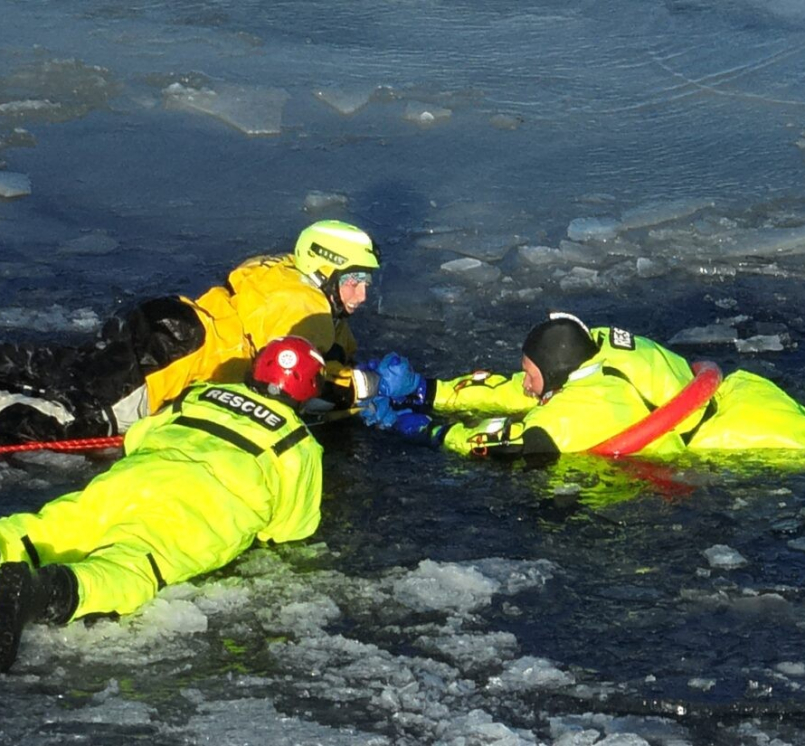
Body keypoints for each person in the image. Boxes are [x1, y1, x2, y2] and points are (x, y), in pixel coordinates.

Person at [0, 335, 327, 673]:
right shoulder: (298, 444)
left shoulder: (201, 394)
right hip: (191, 514)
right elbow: (289, 527)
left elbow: (138, 436)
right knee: (130, 568)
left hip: (133, 479)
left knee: (52, 528)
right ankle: (42, 591)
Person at [0, 220, 384, 445]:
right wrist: (367, 387)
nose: (362, 294)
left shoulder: (287, 277)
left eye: (365, 282)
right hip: (173, 360)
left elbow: (329, 346)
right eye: (353, 281)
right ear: (324, 269)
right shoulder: (306, 307)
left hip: (174, 324)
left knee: (58, 369)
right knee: (64, 421)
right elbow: (298, 382)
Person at [360, 312, 805, 460]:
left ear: (554, 373)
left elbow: (513, 441)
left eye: (532, 373)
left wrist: (421, 429)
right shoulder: (599, 346)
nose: (528, 385)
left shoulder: (581, 411)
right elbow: (521, 389)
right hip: (743, 394)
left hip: (744, 435)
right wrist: (430, 390)